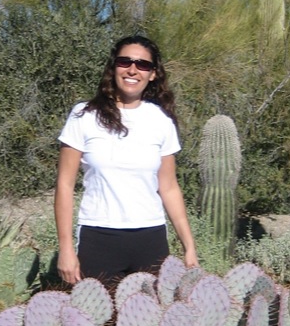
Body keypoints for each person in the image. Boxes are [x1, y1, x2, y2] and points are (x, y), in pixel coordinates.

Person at [55, 34, 198, 290]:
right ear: (114, 67)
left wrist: (189, 247)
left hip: (151, 237)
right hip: (98, 235)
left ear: (153, 74)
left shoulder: (161, 121)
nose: (133, 69)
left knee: (149, 324)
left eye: (143, 65)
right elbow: (64, 186)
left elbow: (169, 188)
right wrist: (66, 248)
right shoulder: (84, 115)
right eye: (125, 62)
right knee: (96, 325)